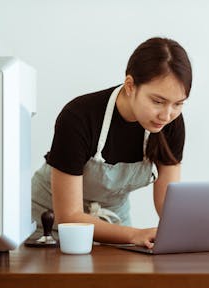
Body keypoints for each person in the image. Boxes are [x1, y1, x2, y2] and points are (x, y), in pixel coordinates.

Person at [31, 37, 192, 249]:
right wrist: (135, 235)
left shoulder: (170, 124)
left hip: (115, 222)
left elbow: (167, 204)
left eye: (178, 104)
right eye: (157, 101)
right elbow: (69, 215)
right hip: (51, 223)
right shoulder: (79, 117)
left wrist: (191, 233)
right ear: (130, 85)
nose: (167, 114)